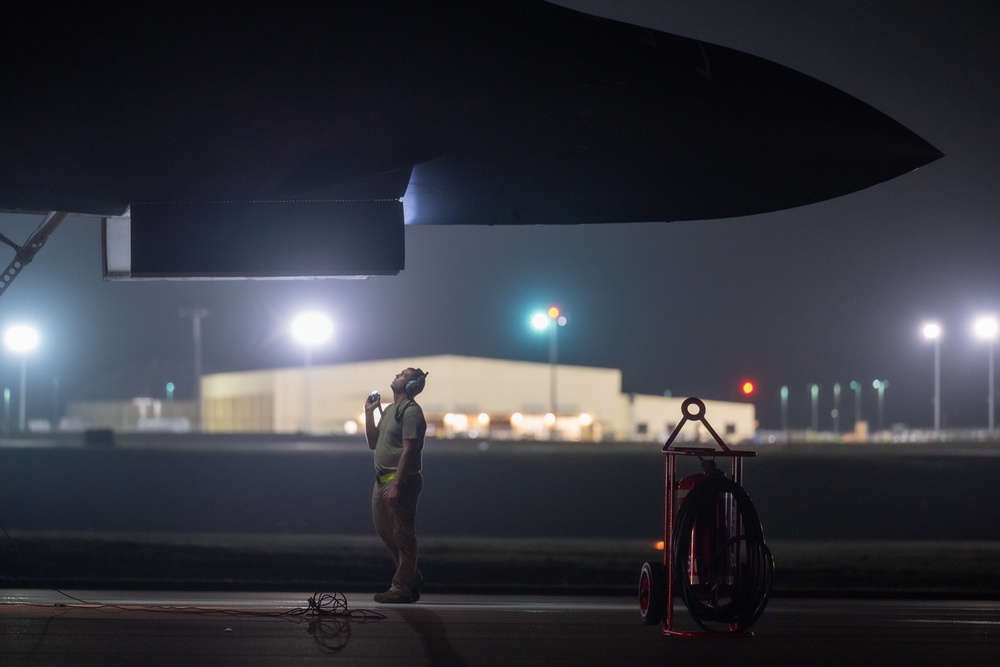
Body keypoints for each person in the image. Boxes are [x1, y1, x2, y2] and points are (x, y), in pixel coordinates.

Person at [364, 367, 428, 603]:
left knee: (403, 535)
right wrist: (369, 413)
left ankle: (401, 588)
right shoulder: (390, 410)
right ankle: (411, 576)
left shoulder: (411, 413)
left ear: (411, 385)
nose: (396, 375)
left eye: (403, 375)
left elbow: (409, 451)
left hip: (400, 481)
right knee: (386, 533)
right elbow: (373, 442)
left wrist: (398, 486)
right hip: (380, 480)